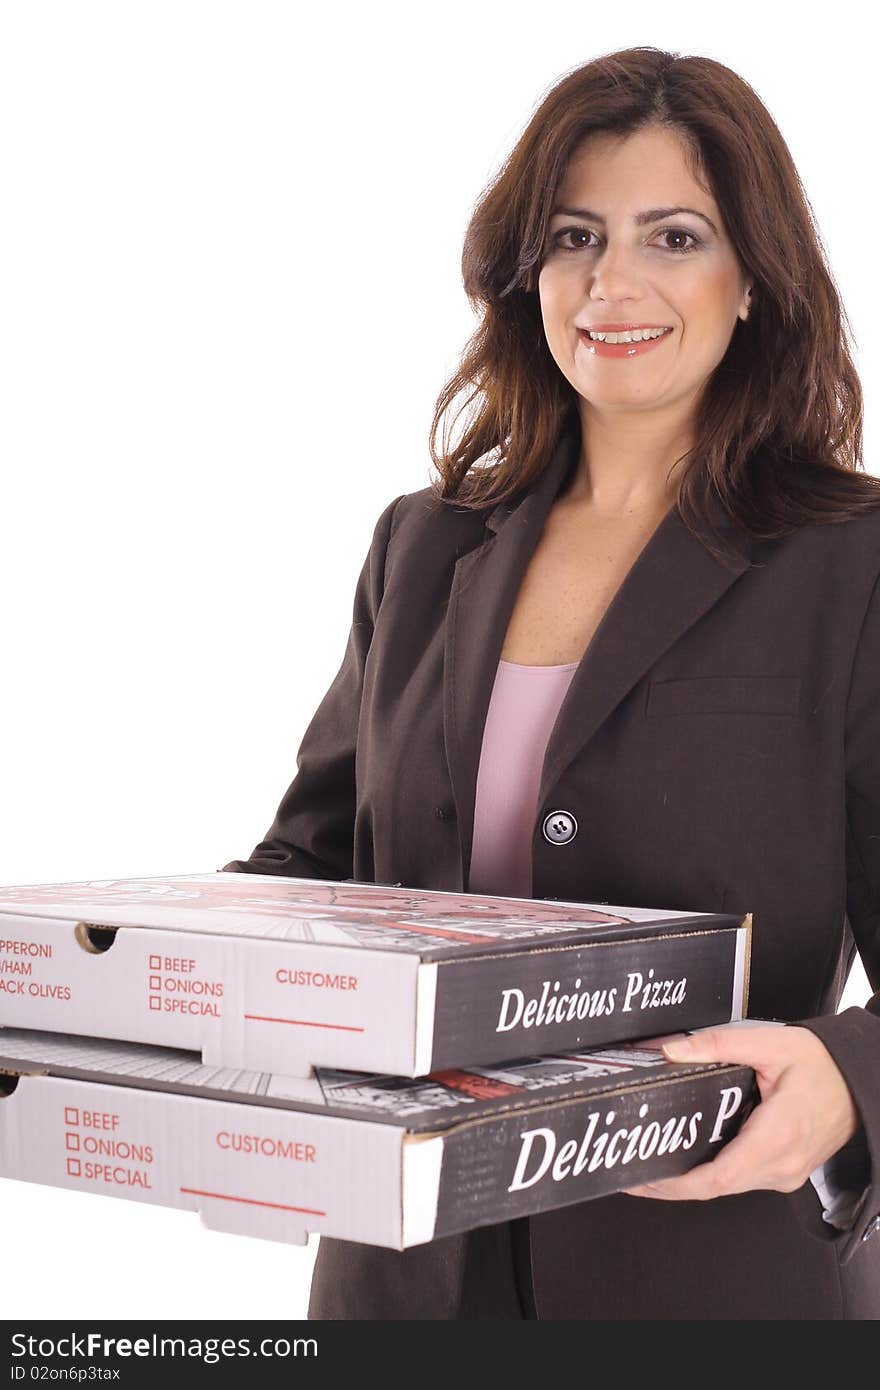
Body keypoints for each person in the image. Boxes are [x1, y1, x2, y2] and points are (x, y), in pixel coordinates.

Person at [222, 46, 880, 1318]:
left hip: (707, 1271)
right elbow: (312, 872)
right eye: (574, 235)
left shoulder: (850, 565)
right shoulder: (425, 545)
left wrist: (850, 1079)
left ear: (755, 280)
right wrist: (129, 978)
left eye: (673, 236)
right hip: (398, 1276)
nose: (611, 282)